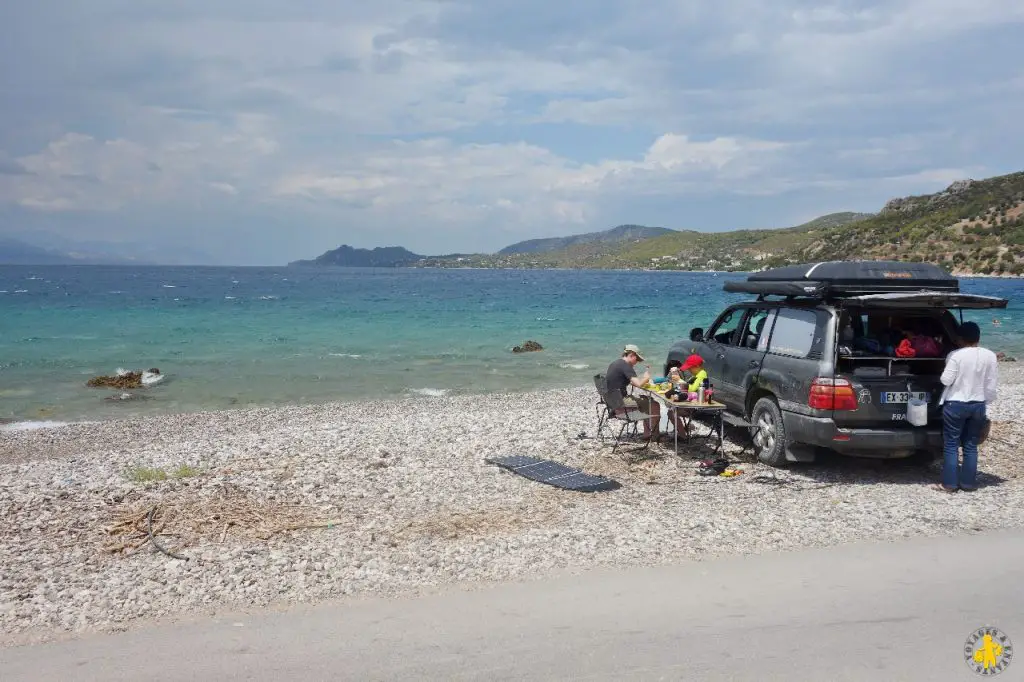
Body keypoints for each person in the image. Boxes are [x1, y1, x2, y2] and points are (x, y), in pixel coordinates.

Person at [936, 321, 998, 493]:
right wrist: (986, 402)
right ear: (978, 337)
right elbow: (991, 386)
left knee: (951, 444)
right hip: (978, 404)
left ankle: (949, 484)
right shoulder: (990, 356)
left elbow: (946, 380)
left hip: (956, 403)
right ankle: (968, 484)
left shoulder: (955, 355)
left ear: (960, 339)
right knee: (971, 444)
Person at [605, 344, 661, 441]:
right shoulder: (625, 366)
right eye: (637, 359)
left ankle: (647, 433)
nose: (637, 362)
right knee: (654, 404)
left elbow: (633, 382)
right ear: (631, 355)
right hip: (620, 404)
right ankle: (655, 436)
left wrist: (642, 381)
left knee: (646, 400)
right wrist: (646, 378)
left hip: (612, 402)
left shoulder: (615, 363)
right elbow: (638, 384)